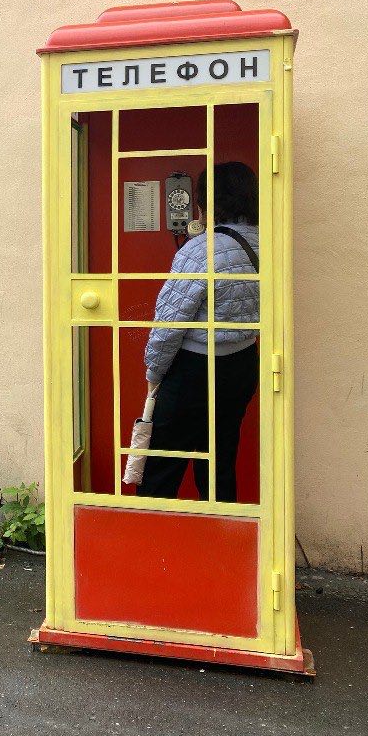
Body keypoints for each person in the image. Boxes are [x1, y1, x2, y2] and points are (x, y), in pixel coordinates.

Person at [138, 161, 260, 503]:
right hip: (243, 362)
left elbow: (170, 323)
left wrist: (154, 372)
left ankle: (150, 535)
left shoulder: (199, 250)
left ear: (206, 203)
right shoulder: (268, 242)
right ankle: (222, 533)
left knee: (162, 463)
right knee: (219, 458)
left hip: (195, 369)